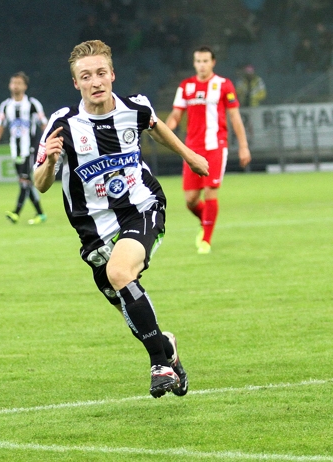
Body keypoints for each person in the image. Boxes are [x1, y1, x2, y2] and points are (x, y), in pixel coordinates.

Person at [34, 40, 208, 398]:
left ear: (112, 75)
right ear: (76, 83)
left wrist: (190, 156)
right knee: (125, 300)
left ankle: (159, 364)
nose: (95, 81)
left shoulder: (135, 108)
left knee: (119, 273)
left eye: (101, 73)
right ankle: (167, 349)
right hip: (94, 233)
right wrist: (50, 161)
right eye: (86, 76)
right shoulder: (62, 124)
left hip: (143, 207)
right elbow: (41, 185)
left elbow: (156, 126)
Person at [165, 46, 251, 254]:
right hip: (191, 149)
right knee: (190, 200)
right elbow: (176, 114)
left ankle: (206, 240)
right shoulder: (186, 86)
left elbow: (235, 117)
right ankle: (205, 222)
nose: (201, 65)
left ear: (213, 62)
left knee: (211, 193)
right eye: (198, 61)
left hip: (215, 147)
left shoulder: (223, 85)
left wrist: (243, 146)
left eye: (205, 61)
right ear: (194, 63)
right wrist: (168, 126)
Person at [0, 71, 48, 225]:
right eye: (13, 83)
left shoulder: (33, 104)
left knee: (24, 180)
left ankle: (16, 213)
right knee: (25, 181)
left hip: (30, 149)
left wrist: (47, 143)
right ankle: (40, 214)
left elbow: (44, 125)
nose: (15, 85)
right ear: (9, 85)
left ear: (25, 86)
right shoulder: (6, 106)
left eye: (19, 83)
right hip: (15, 150)